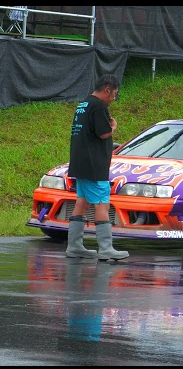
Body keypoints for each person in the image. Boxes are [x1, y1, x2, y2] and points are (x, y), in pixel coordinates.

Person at [66, 74, 129, 260]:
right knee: (102, 203)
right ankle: (106, 248)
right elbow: (103, 133)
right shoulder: (98, 105)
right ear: (107, 90)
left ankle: (74, 246)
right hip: (94, 165)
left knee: (82, 202)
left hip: (80, 162)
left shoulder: (84, 104)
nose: (113, 99)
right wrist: (113, 127)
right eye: (114, 94)